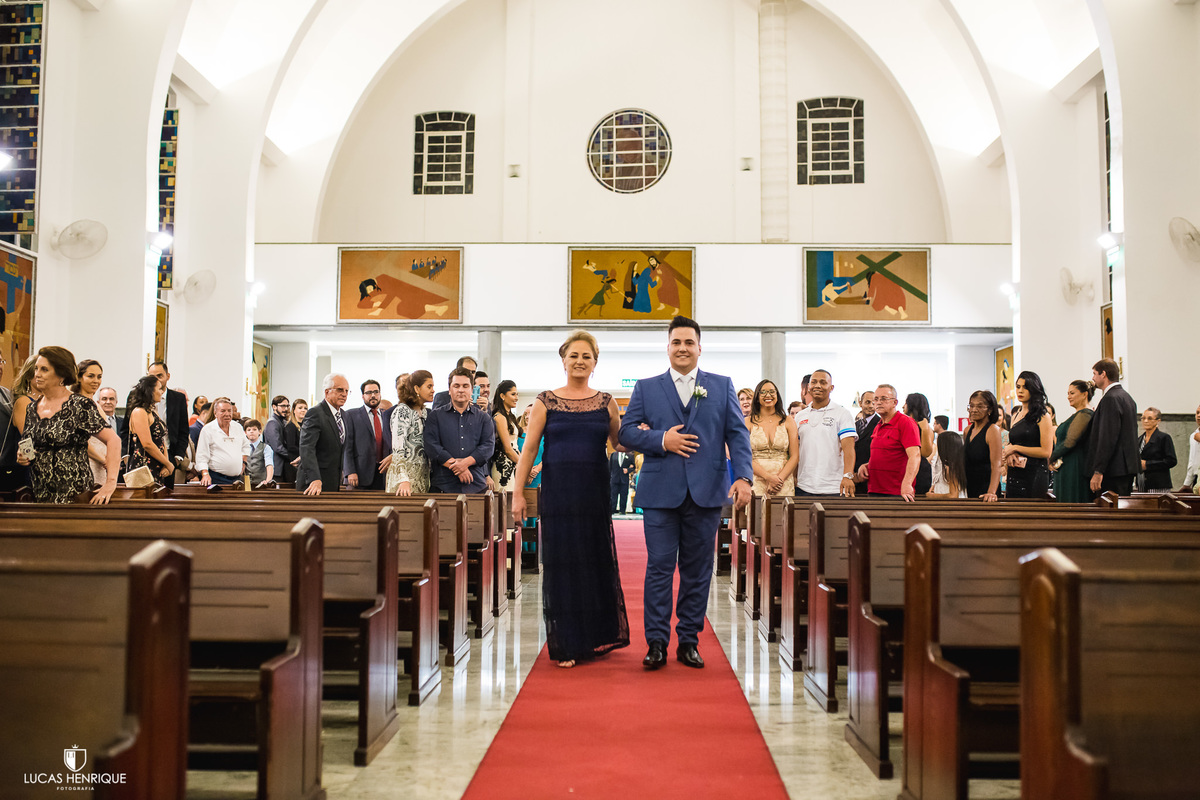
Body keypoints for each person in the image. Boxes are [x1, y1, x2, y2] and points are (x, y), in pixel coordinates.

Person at [619, 316, 753, 670]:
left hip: (707, 492)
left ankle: (689, 641)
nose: (682, 348)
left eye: (688, 343)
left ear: (699, 347)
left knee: (697, 570)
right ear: (668, 347)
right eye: (676, 342)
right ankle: (657, 642)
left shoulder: (721, 385)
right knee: (660, 568)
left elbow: (738, 436)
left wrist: (744, 477)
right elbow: (627, 433)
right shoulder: (647, 388)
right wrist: (662, 439)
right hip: (660, 492)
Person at [510, 330, 630, 668]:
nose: (580, 361)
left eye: (586, 356)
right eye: (574, 355)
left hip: (594, 493)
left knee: (593, 561)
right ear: (563, 360)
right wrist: (518, 494)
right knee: (563, 565)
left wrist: (657, 436)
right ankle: (567, 641)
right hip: (559, 495)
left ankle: (594, 635)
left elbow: (620, 443)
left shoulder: (606, 401)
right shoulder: (545, 401)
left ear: (595, 363)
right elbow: (529, 450)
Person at [16, 346, 120, 504]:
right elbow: (28, 444)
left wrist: (111, 483)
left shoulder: (79, 405)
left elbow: (114, 440)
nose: (37, 374)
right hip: (41, 495)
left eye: (44, 369)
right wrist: (23, 455)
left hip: (75, 496)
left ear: (61, 374)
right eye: (36, 369)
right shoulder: (32, 408)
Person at [423, 367, 495, 494]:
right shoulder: (435, 416)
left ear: (472, 390)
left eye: (465, 386)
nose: (461, 390)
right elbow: (431, 445)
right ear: (450, 390)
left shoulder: (484, 418)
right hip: (443, 486)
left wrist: (465, 463)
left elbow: (488, 446)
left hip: (476, 485)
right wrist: (458, 467)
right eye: (456, 386)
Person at [793, 369, 858, 497]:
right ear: (809, 387)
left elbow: (849, 448)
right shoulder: (800, 416)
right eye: (814, 382)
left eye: (823, 382)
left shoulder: (842, 413)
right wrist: (794, 477)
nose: (818, 386)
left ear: (831, 387)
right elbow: (797, 449)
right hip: (804, 486)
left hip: (833, 487)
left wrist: (848, 476)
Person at [856, 383, 919, 501]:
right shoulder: (878, 425)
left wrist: (907, 484)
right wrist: (866, 466)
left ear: (895, 402)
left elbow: (915, 456)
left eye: (883, 399)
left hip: (897, 492)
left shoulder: (905, 423)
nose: (878, 402)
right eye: (876, 399)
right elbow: (885, 455)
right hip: (874, 490)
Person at [1087, 358, 1139, 497]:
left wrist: (1098, 470)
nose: (1093, 378)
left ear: (1103, 374)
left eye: (1094, 373)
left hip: (1113, 469)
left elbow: (1107, 437)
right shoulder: (1126, 397)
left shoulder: (1110, 398)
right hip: (1125, 467)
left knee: (1109, 512)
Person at [1003, 370, 1055, 498]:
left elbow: (1046, 451)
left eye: (1025, 387)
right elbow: (1013, 442)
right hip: (1015, 471)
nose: (1020, 391)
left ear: (1034, 389)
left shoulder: (1043, 416)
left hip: (1035, 472)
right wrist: (1011, 452)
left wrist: (1015, 448)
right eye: (1018, 387)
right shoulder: (1015, 414)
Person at [297, 374, 350, 496]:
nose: (344, 394)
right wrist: (314, 479)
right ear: (327, 392)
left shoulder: (344, 415)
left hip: (333, 481)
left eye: (347, 390)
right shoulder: (315, 413)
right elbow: (307, 447)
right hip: (314, 483)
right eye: (340, 390)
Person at [746, 379, 798, 497]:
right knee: (757, 514)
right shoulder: (747, 422)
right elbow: (745, 456)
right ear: (757, 397)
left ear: (777, 395)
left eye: (771, 391)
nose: (768, 395)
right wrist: (768, 477)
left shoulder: (788, 420)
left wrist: (778, 480)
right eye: (763, 392)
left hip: (783, 481)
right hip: (756, 479)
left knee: (784, 514)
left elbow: (794, 456)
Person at [386, 370, 433, 495]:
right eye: (429, 386)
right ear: (417, 389)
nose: (433, 390)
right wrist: (403, 480)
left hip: (422, 476)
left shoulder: (426, 412)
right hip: (404, 479)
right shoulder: (402, 411)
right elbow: (398, 448)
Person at [1048, 380, 1095, 503]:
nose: (1068, 396)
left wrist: (1050, 457)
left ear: (1084, 394)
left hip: (1075, 467)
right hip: (1066, 466)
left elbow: (1070, 441)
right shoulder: (1078, 414)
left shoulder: (1085, 413)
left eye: (1072, 393)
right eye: (1068, 393)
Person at [342, 379, 391, 490]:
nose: (373, 395)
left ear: (380, 394)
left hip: (383, 474)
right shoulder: (351, 415)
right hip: (360, 475)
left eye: (376, 392)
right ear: (363, 396)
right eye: (368, 393)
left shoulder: (386, 416)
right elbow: (347, 447)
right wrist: (350, 471)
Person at [125, 374, 174, 485]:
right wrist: (168, 463)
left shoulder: (152, 411)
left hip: (157, 463)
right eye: (159, 388)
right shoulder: (139, 412)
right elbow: (147, 443)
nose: (162, 392)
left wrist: (166, 463)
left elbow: (161, 440)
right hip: (143, 465)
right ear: (150, 391)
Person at [147, 360, 190, 479]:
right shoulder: (137, 397)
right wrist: (126, 456)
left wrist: (177, 457)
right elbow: (126, 430)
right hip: (144, 454)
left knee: (167, 494)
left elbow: (183, 430)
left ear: (168, 376)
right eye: (152, 377)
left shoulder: (178, 398)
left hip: (169, 453)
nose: (156, 380)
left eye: (160, 376)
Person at [195, 397, 251, 486]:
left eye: (229, 411)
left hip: (237, 479)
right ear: (215, 413)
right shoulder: (208, 429)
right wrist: (205, 474)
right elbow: (201, 456)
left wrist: (243, 463)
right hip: (216, 478)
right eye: (223, 411)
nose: (227, 414)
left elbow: (246, 446)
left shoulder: (238, 427)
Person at [1, 355, 37, 491]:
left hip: (8, 466)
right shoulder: (23, 402)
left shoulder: (6, 393)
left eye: (1, 361)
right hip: (26, 464)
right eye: (37, 370)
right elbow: (28, 437)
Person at [73, 359, 109, 486]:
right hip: (86, 462)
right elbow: (78, 440)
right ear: (79, 377)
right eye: (90, 376)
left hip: (101, 464)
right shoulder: (76, 402)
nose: (96, 381)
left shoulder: (95, 404)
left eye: (99, 377)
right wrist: (103, 460)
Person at [963, 390, 1002, 501]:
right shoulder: (967, 430)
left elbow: (996, 464)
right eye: (971, 406)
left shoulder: (992, 430)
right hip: (969, 485)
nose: (974, 410)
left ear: (989, 409)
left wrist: (991, 492)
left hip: (986, 487)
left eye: (980, 406)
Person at [1136, 407, 1177, 492]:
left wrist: (1147, 464)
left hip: (1158, 484)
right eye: (1143, 418)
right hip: (1141, 484)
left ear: (1158, 421)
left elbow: (1171, 460)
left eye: (1149, 418)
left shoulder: (1164, 438)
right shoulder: (1139, 439)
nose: (1146, 421)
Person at [491, 379, 521, 492]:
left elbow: (514, 445)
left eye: (517, 394)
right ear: (502, 396)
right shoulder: (499, 417)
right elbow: (508, 449)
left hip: (513, 463)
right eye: (513, 394)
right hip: (503, 467)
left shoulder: (509, 417)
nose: (516, 398)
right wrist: (524, 464)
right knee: (504, 504)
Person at [903, 392, 935, 495]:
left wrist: (924, 430)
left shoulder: (925, 427)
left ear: (912, 405)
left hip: (920, 471)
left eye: (906, 403)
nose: (903, 406)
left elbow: (926, 453)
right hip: (904, 467)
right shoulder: (904, 424)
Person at [852, 389, 880, 495]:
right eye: (868, 402)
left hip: (870, 475)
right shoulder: (856, 424)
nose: (871, 406)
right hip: (855, 475)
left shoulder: (880, 423)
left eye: (874, 403)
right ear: (860, 403)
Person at [927, 431, 967, 498]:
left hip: (949, 507)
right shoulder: (952, 466)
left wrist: (933, 496)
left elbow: (953, 495)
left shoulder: (951, 469)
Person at [264, 395, 292, 481]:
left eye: (287, 406)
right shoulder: (272, 422)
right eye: (283, 406)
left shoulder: (281, 421)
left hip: (282, 466)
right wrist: (293, 456)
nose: (286, 408)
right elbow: (277, 447)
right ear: (274, 407)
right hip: (276, 467)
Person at [244, 418, 275, 487]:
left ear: (260, 431)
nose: (251, 432)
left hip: (261, 484)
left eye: (254, 429)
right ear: (245, 433)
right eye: (249, 430)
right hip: (246, 484)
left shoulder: (266, 447)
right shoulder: (243, 447)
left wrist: (268, 481)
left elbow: (269, 465)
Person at [282, 398, 307, 483]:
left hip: (303, 461)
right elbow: (291, 447)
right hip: (293, 463)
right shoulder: (291, 426)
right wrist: (306, 452)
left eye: (305, 408)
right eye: (300, 408)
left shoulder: (306, 425)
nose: (303, 410)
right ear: (294, 410)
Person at [1181, 403, 1200, 492]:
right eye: (1197, 413)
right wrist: (1187, 483)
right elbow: (1192, 461)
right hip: (1196, 478)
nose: (1199, 415)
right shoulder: (1193, 436)